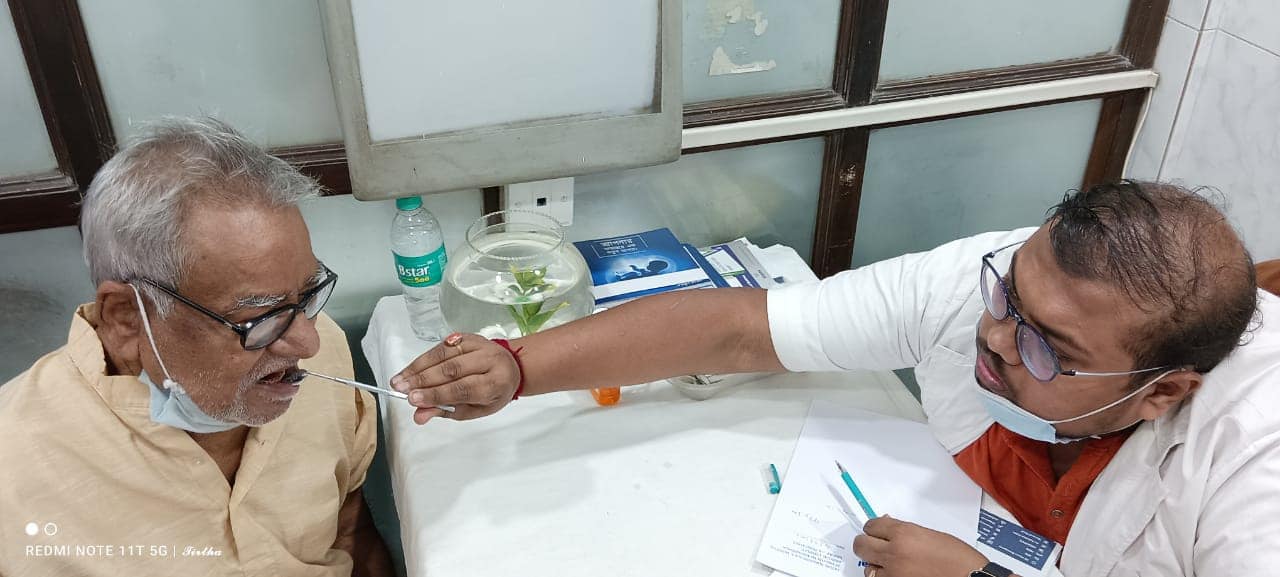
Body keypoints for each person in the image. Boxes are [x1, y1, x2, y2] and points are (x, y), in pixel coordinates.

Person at [391, 181, 1277, 577]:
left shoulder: (1254, 460)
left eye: (1047, 348)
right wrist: (520, 365)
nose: (994, 337)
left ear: (1162, 391)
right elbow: (741, 329)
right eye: (1007, 295)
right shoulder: (988, 283)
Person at [0, 117, 394, 576]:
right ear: (127, 318)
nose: (308, 341)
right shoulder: (15, 476)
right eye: (258, 316)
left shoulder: (318, 350)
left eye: (307, 296)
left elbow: (347, 530)